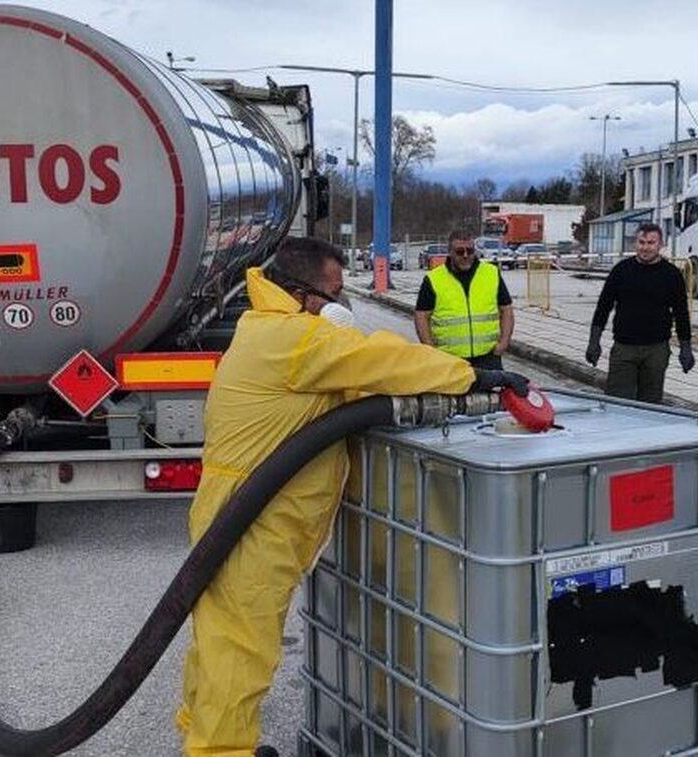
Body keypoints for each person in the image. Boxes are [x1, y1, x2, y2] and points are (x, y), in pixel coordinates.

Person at [176, 237, 528, 757]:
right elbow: (379, 359)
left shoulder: (269, 329)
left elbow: (347, 388)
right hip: (251, 516)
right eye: (336, 293)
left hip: (240, 505)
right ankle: (218, 751)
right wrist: (472, 375)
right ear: (303, 293)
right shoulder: (294, 339)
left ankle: (197, 724)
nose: (343, 305)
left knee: (220, 630)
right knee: (241, 645)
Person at [585, 223, 694, 403]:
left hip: (656, 350)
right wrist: (593, 341)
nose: (645, 248)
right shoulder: (621, 270)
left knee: (650, 406)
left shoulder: (671, 275)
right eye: (641, 242)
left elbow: (681, 313)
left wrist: (686, 348)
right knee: (618, 404)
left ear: (660, 245)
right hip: (624, 348)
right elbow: (603, 307)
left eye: (651, 243)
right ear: (635, 243)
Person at [414, 228, 515, 369]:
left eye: (470, 250)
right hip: (448, 359)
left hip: (488, 357)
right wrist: (431, 350)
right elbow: (421, 315)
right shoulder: (434, 278)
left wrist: (503, 344)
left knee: (490, 391)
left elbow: (506, 309)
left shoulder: (491, 274)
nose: (466, 255)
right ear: (450, 252)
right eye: (460, 251)